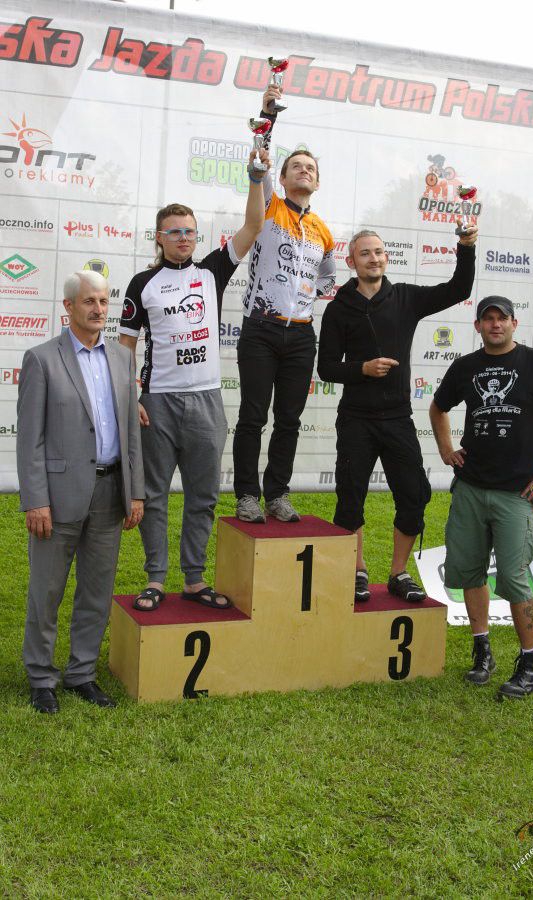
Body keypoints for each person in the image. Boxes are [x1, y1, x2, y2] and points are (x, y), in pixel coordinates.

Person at [118, 147, 268, 612]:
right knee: (154, 495)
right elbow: (124, 349)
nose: (184, 238)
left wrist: (256, 177)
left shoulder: (211, 271)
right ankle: (155, 579)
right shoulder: (142, 283)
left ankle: (194, 579)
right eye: (175, 232)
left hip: (205, 401)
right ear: (159, 238)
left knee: (203, 496)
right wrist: (129, 397)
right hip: (157, 402)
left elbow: (254, 225)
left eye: (189, 231)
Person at [429, 296, 533, 699]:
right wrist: (446, 449)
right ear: (478, 326)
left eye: (502, 318)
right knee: (469, 573)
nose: (495, 324)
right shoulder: (465, 367)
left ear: (514, 323)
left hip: (516, 492)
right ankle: (483, 652)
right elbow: (438, 408)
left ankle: (530, 665)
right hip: (470, 488)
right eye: (488, 319)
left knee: (514, 579)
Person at [317, 224, 477, 603]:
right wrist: (363, 368)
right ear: (351, 261)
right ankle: (357, 571)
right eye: (365, 253)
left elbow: (459, 289)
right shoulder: (338, 309)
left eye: (379, 252)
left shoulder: (405, 297)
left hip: (397, 419)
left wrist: (466, 246)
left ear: (386, 257)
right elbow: (326, 368)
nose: (373, 258)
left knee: (414, 495)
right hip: (356, 419)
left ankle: (398, 573)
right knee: (350, 499)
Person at [17, 271, 144, 713]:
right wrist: (36, 500)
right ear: (68, 307)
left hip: (111, 492)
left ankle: (82, 673)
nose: (98, 309)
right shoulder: (41, 360)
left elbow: (130, 432)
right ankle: (41, 677)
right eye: (89, 301)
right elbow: (29, 440)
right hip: (58, 497)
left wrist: (136, 492)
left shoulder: (123, 360)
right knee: (46, 591)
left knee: (96, 590)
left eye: (104, 301)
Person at [233, 85, 336, 524]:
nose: (304, 171)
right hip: (260, 327)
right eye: (296, 166)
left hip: (301, 334)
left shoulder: (324, 231)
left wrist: (310, 298)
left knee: (289, 419)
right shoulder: (271, 203)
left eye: (310, 168)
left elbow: (327, 279)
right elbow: (260, 161)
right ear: (285, 176)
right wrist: (266, 117)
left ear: (317, 181)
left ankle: (277, 493)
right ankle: (246, 495)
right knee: (253, 416)